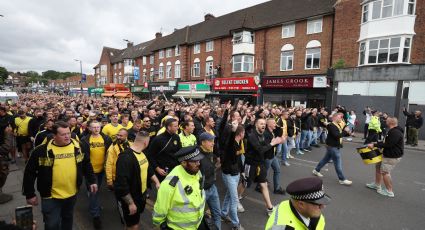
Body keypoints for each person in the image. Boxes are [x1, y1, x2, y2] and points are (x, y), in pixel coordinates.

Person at [23, 121, 97, 230]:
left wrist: (92, 180)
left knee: (68, 219)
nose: (67, 136)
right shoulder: (41, 151)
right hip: (50, 196)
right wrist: (29, 194)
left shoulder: (79, 146)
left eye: (68, 133)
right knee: (52, 224)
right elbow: (29, 173)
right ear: (54, 136)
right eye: (63, 134)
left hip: (72, 194)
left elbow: (86, 164)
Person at [115, 131, 160, 229]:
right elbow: (121, 185)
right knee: (133, 226)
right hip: (131, 199)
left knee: (133, 223)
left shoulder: (142, 154)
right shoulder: (125, 158)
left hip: (140, 196)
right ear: (146, 143)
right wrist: (130, 203)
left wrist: (157, 182)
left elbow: (148, 169)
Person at [152, 146, 206, 230]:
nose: (198, 163)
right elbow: (160, 210)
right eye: (194, 161)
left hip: (198, 224)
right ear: (183, 163)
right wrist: (161, 225)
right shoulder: (170, 183)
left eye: (198, 160)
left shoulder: (196, 172)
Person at [245, 118, 285, 216]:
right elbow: (260, 150)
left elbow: (267, 146)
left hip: (260, 163)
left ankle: (270, 207)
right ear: (256, 125)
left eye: (264, 124)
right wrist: (273, 143)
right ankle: (236, 198)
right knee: (245, 183)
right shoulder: (252, 136)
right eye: (261, 124)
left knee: (264, 184)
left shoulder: (264, 134)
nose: (263, 125)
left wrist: (275, 142)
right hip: (251, 164)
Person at [80, 120, 112, 229]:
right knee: (94, 192)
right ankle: (95, 215)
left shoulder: (106, 139)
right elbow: (84, 158)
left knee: (95, 191)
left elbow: (109, 154)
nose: (96, 129)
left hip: (101, 170)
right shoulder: (84, 140)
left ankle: (95, 204)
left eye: (98, 127)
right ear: (89, 128)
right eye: (93, 127)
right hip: (90, 172)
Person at [265, 177, 330, 230]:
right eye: (318, 204)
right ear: (301, 204)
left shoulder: (311, 212)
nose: (323, 206)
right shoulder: (282, 227)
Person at [366, 117, 404, 197]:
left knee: (385, 172)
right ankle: (377, 184)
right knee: (378, 167)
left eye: (386, 121)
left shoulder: (395, 132)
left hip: (391, 156)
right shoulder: (392, 130)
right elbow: (386, 142)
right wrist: (377, 142)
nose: (384, 121)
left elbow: (388, 144)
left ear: (391, 123)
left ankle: (389, 191)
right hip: (386, 154)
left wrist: (374, 145)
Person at [312, 113, 353, 185]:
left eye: (341, 117)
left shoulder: (338, 124)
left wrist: (348, 133)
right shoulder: (331, 125)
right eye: (339, 117)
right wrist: (345, 131)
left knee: (326, 159)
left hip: (333, 145)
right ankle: (342, 179)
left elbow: (341, 133)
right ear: (334, 118)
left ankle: (316, 170)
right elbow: (337, 135)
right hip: (332, 146)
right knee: (337, 162)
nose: (341, 119)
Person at [220, 124, 245, 230]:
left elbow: (239, 160)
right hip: (229, 175)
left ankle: (223, 213)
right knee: (234, 199)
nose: (245, 134)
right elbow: (230, 142)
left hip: (236, 173)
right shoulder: (231, 144)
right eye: (243, 132)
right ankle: (236, 224)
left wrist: (242, 171)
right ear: (240, 134)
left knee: (229, 195)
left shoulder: (239, 143)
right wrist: (233, 131)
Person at [198, 132, 222, 230]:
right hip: (202, 191)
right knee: (199, 217)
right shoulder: (196, 156)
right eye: (210, 141)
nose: (213, 143)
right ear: (202, 142)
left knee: (217, 214)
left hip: (212, 188)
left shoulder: (210, 152)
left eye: (213, 141)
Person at [264, 118, 286, 194]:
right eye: (274, 123)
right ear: (269, 124)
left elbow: (279, 133)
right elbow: (268, 146)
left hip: (272, 155)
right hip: (267, 157)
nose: (275, 124)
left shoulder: (272, 131)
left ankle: (276, 188)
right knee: (264, 173)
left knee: (277, 170)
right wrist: (278, 142)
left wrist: (278, 127)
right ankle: (259, 186)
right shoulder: (266, 133)